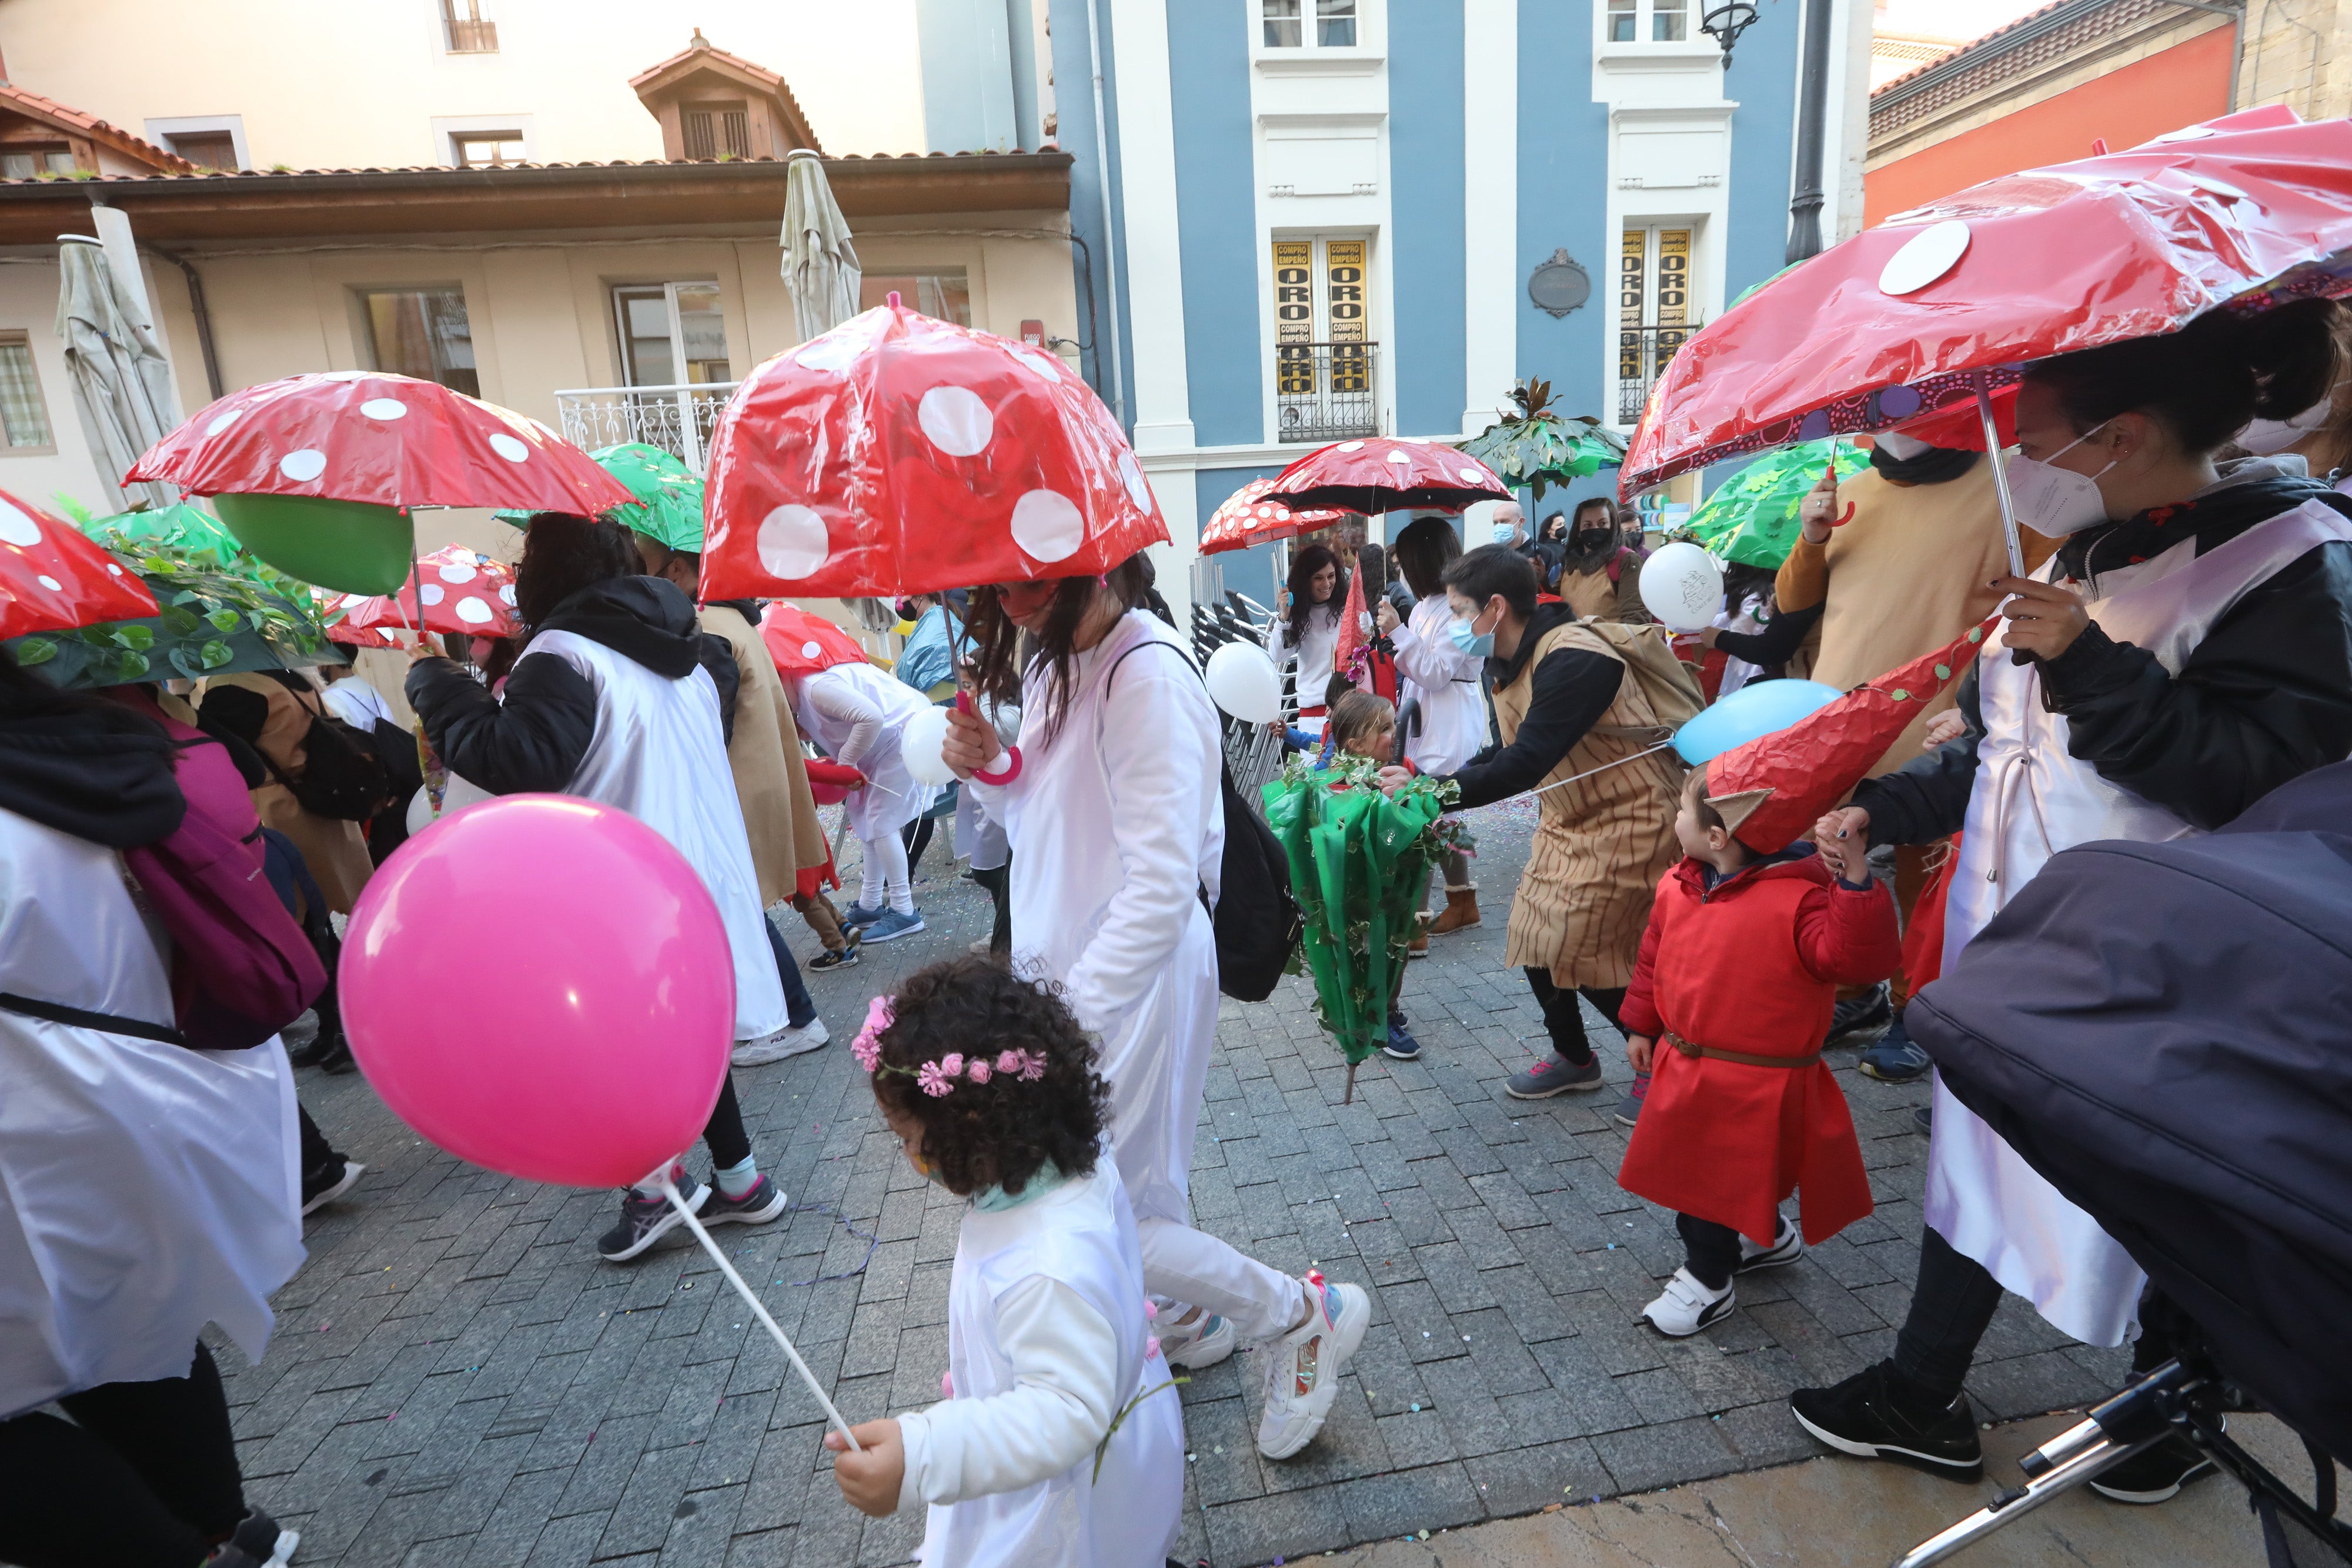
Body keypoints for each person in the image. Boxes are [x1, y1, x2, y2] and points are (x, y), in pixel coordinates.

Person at [1789, 297, 2352, 1500]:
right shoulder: (2082, 551)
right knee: (1977, 1147)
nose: (2010, 462)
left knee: (2157, 1193)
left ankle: (2158, 1420)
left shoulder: (2290, 563)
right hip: (2017, 945)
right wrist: (1883, 810)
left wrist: (2091, 664)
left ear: (2120, 435)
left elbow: (2281, 785)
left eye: (2030, 437)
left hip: (2167, 965)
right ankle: (1920, 1389)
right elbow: (2010, 746)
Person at [944, 559, 1372, 1462]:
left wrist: (1068, 1019)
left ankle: (1303, 1311)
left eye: (1031, 585)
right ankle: (1182, 1314)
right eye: (1000, 588)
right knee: (1133, 1188)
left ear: (1094, 567)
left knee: (1109, 1205)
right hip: (1067, 967)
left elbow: (1163, 884)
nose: (1013, 604)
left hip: (1130, 980)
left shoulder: (1149, 674)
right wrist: (997, 764)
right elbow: (1045, 818)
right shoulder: (1057, 656)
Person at [406, 514, 791, 1262]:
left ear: (544, 575)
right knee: (689, 1033)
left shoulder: (562, 652)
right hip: (691, 868)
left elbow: (518, 762)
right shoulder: (684, 644)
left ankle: (654, 1192)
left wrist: (439, 689)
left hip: (617, 888)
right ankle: (740, 1181)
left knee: (630, 1047)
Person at [0, 647, 306, 1568]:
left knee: (63, 1356)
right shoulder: (85, 755)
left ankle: (187, 1549)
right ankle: (224, 1526)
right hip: (149, 1099)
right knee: (139, 1328)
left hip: (30, 1133)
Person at [824, 958, 1183, 1566]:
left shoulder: (1044, 1266)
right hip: (1110, 1416)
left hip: (1066, 1487)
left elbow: (1063, 1412)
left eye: (907, 1136)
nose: (907, 1155)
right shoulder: (1070, 1158)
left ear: (969, 1124)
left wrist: (923, 1454)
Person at [1714, 432, 2052, 1078]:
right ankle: (1855, 993)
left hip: (1935, 723)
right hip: (1839, 719)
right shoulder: (1851, 490)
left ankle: (1918, 1011)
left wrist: (1986, 709)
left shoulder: (2010, 491)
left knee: (1924, 884)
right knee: (1835, 865)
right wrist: (1811, 538)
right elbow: (1792, 605)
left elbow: (2038, 603)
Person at [1382, 544, 1682, 1099]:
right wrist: (1427, 780)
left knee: (1583, 943)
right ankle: (1574, 1056)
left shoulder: (1573, 657)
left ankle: (1663, 1065)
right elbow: (1502, 753)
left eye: (1457, 609)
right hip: (1573, 816)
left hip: (1634, 814)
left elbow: (1525, 763)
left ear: (1494, 607)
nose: (1452, 623)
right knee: (1530, 933)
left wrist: (1430, 794)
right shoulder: (1510, 658)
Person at [1619, 767, 1899, 1335]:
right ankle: (1762, 1235)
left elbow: (1856, 962)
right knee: (1712, 1170)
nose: (1674, 820)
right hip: (1688, 1062)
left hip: (1755, 1076)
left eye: (1682, 811)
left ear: (1718, 837)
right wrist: (1642, 1024)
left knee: (1708, 1180)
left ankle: (1707, 1279)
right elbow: (1654, 956)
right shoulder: (1680, 881)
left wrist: (1855, 878)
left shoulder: (1800, 898)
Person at [630, 527, 831, 1066]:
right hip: (755, 778)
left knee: (735, 904)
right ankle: (781, 1015)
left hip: (737, 784)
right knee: (737, 905)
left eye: (644, 557)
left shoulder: (707, 627)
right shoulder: (733, 616)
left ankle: (796, 1018)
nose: (638, 568)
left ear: (677, 570)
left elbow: (709, 722)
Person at [784, 648, 940, 943]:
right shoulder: (805, 686)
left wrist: (846, 764)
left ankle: (904, 911)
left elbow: (871, 718)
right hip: (884, 745)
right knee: (866, 820)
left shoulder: (815, 687)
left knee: (881, 824)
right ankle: (870, 904)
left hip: (901, 737)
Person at [199, 668, 379, 915]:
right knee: (333, 908)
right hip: (319, 799)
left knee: (300, 913)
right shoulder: (287, 676)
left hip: (277, 813)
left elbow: (213, 755)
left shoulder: (233, 685)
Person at [1379, 517, 1486, 936]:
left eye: (1405, 561)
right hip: (1424, 712)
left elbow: (1439, 671)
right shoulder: (1426, 605)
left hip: (1450, 716)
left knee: (1423, 810)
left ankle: (1416, 921)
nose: (1401, 571)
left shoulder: (1464, 607)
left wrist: (1399, 633)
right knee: (1441, 813)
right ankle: (1462, 899)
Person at [1321, 690, 1425, 1059]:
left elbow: (1430, 796)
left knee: (1397, 945)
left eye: (1395, 723)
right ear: (1357, 746)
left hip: (1398, 882)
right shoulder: (1339, 784)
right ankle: (1374, 1019)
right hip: (1362, 892)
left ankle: (1389, 1008)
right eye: (1384, 728)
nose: (1395, 733)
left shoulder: (1404, 768)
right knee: (1369, 950)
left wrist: (1415, 794)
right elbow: (1341, 838)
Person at [1265, 543, 1350, 717]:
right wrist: (1285, 616)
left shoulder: (1348, 608)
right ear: (1306, 581)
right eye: (1318, 578)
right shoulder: (1298, 615)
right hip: (1313, 712)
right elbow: (1278, 655)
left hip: (1349, 709)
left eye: (1331, 576)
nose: (1327, 584)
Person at [1556, 497, 1651, 624]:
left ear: (1613, 526)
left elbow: (1636, 617)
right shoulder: (1571, 561)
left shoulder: (1627, 561)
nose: (1595, 529)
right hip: (1568, 639)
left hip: (1608, 642)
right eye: (1588, 525)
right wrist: (1542, 580)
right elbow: (1558, 600)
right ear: (1578, 530)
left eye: (1602, 524)